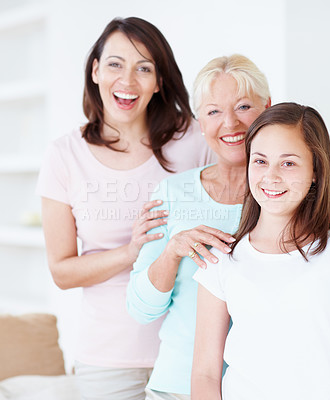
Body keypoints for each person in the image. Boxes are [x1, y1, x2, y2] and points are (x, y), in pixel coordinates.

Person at [126, 55, 330, 400]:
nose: (229, 122)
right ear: (200, 120)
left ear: (266, 108)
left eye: (243, 106)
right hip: (182, 380)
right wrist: (173, 250)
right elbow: (144, 311)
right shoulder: (178, 200)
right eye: (214, 110)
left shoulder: (303, 208)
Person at [36, 17, 214, 400]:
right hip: (106, 360)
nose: (128, 81)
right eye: (116, 64)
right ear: (96, 70)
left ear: (160, 81)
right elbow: (62, 271)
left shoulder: (196, 140)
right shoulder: (64, 155)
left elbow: (258, 192)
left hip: (191, 354)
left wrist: (326, 222)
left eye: (144, 68)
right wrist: (131, 252)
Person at [191, 103, 330, 400]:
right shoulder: (221, 258)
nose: (272, 176)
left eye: (289, 163)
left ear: (316, 170)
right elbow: (205, 374)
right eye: (260, 161)